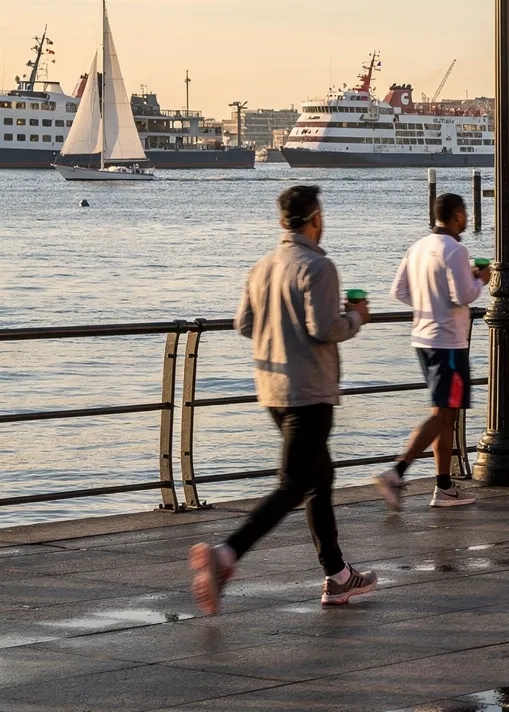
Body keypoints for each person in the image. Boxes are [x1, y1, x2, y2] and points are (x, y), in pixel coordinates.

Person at [189, 185, 378, 614]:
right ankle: (227, 554)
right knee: (296, 483)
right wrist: (357, 317)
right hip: (309, 391)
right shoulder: (319, 266)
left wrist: (280, 333)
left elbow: (243, 324)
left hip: (272, 390)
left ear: (281, 223)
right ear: (315, 219)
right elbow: (324, 328)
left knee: (319, 479)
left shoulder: (261, 267)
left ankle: (339, 575)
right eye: (321, 216)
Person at [375, 193, 488, 509]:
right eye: (463, 214)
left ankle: (444, 486)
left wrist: (427, 303)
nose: (465, 219)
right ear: (456, 216)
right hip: (448, 342)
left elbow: (399, 290)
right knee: (442, 414)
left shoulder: (418, 247)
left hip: (422, 339)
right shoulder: (456, 250)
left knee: (447, 414)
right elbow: (464, 295)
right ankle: (396, 472)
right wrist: (482, 281)